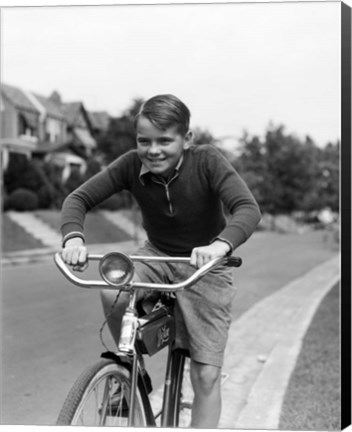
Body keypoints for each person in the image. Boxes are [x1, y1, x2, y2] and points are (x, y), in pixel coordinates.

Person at [60, 94, 261, 428]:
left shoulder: (208, 161)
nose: (153, 150)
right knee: (112, 289)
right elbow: (78, 198)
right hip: (157, 254)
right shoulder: (129, 165)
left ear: (187, 139)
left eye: (165, 141)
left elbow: (248, 209)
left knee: (206, 376)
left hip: (206, 264)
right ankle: (132, 371)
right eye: (144, 141)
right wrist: (73, 238)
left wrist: (219, 246)